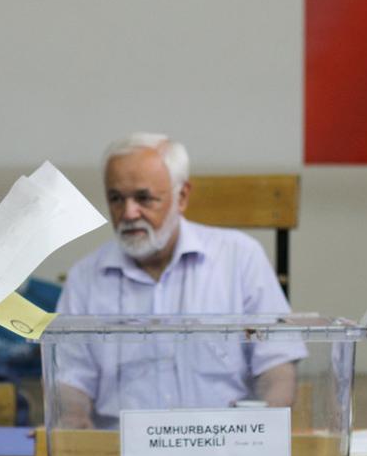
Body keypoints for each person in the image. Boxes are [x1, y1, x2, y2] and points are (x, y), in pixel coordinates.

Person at [54, 132, 305, 429]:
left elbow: (277, 365)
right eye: (116, 199)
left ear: (182, 197)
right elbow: (69, 377)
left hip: (224, 451)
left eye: (143, 198)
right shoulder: (86, 276)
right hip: (119, 454)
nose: (129, 213)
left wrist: (264, 431)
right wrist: (73, 420)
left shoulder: (239, 258)